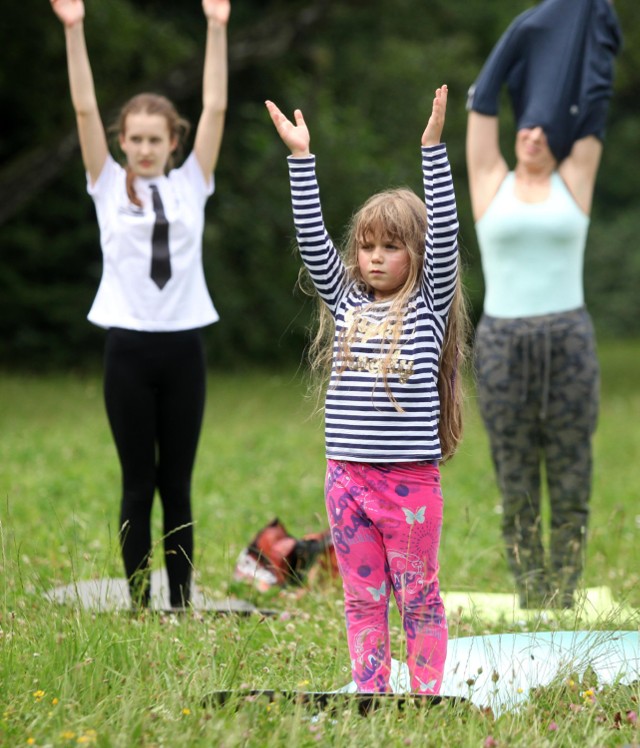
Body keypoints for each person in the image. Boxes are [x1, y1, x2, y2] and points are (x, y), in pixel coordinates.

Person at [266, 86, 468, 694]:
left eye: (391, 247)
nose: (375, 258)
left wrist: (432, 149)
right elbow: (311, 242)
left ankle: (427, 696)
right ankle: (371, 694)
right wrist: (302, 162)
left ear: (417, 254)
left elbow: (448, 238)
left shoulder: (429, 304)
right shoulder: (348, 299)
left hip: (407, 482)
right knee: (361, 598)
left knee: (417, 595)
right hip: (346, 478)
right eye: (367, 246)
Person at [50, 0, 231, 610]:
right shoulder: (104, 183)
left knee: (176, 484)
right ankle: (137, 602)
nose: (146, 149)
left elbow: (216, 106)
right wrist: (74, 29)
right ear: (121, 142)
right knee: (137, 483)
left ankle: (179, 602)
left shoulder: (192, 184)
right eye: (136, 140)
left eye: (157, 139)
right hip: (126, 346)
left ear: (173, 141)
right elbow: (82, 106)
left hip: (184, 346)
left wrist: (216, 25)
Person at [466, 0, 621, 609]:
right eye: (524, 126)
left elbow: (597, 102)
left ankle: (567, 589)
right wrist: (520, 32)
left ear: (558, 138)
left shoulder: (575, 177)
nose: (532, 134)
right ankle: (533, 593)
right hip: (502, 339)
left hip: (569, 338)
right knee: (514, 468)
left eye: (543, 128)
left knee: (570, 464)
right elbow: (482, 98)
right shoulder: (490, 179)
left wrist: (596, 43)